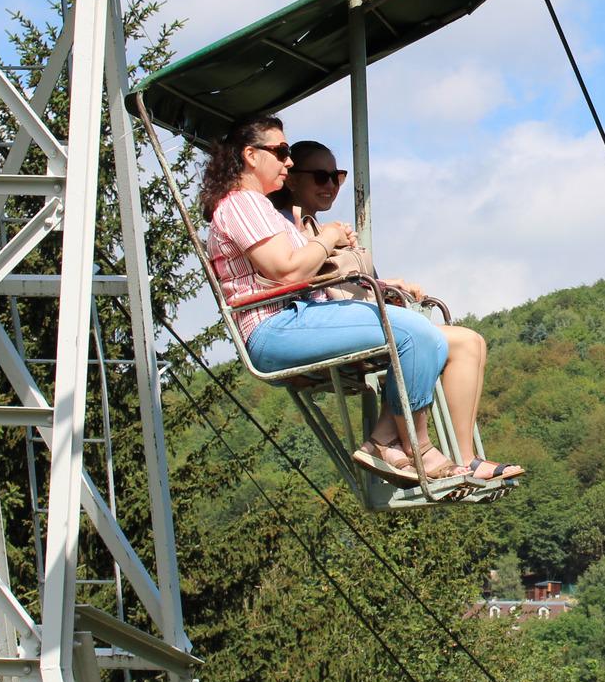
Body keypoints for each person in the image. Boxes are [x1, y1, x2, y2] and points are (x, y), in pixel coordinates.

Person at [201, 116, 510, 487]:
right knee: (416, 334)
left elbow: (301, 273)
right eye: (281, 152)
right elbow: (287, 271)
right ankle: (418, 448)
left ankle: (429, 451)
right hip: (275, 326)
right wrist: (327, 238)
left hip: (301, 315)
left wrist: (372, 279)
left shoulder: (263, 209)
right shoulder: (241, 204)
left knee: (453, 340)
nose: (287, 162)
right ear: (250, 155)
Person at [273, 138, 521, 484]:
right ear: (291, 178)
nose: (330, 185)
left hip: (357, 316)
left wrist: (390, 285)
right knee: (446, 341)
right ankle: (411, 445)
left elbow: (343, 279)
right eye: (319, 176)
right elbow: (300, 279)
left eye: (337, 176)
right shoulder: (290, 230)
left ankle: (458, 456)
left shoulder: (321, 229)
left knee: (471, 342)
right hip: (327, 327)